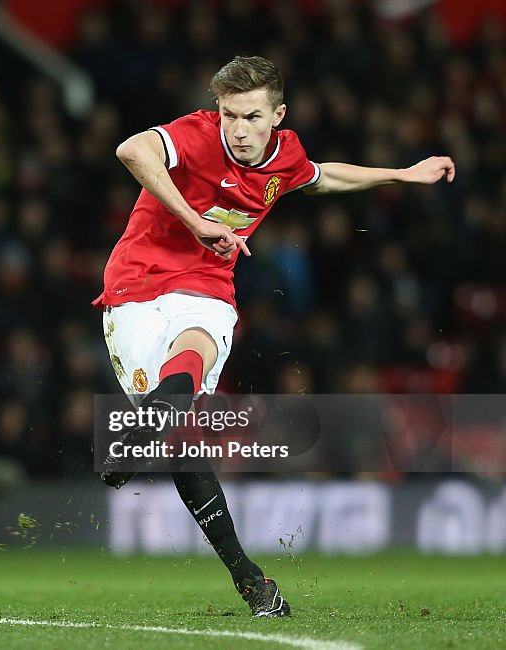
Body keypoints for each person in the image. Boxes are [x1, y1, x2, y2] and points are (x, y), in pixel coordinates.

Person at [94, 55, 455, 617]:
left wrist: (403, 174)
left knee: (198, 344)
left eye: (252, 117)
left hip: (207, 286)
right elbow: (131, 151)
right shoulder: (193, 135)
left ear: (277, 116)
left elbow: (321, 175)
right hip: (135, 286)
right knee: (179, 443)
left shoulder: (284, 154)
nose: (238, 129)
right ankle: (245, 571)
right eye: (230, 115)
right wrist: (196, 221)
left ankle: (148, 431)